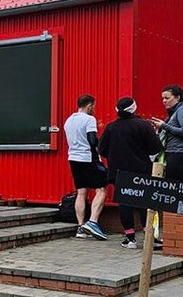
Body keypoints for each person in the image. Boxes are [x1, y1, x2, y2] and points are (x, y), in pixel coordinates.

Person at [98, 97, 164, 249]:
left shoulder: (111, 127)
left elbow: (101, 149)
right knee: (145, 203)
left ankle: (130, 238)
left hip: (118, 172)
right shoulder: (143, 126)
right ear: (134, 108)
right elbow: (156, 148)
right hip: (141, 171)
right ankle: (150, 237)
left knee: (125, 203)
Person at [149, 84, 183, 245]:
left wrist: (164, 126)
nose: (164, 101)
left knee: (174, 192)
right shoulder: (174, 113)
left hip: (180, 155)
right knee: (170, 191)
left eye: (167, 98)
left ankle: (175, 232)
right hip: (172, 154)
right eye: (162, 98)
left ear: (178, 97)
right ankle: (171, 230)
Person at [63, 94, 108, 241]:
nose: (94, 109)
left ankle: (80, 227)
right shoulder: (89, 119)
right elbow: (92, 140)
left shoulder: (68, 121)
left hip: (73, 158)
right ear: (89, 106)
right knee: (101, 190)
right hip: (88, 158)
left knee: (81, 192)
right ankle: (93, 222)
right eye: (94, 106)